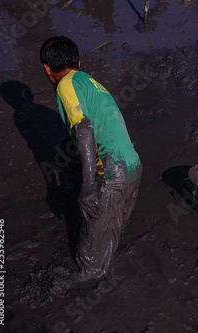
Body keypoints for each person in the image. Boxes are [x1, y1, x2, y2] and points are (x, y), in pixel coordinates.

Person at [40, 36, 143, 279]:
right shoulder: (90, 81)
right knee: (110, 241)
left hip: (111, 174)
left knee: (90, 263)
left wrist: (87, 186)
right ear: (78, 61)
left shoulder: (66, 84)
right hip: (133, 167)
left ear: (46, 68)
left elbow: (84, 128)